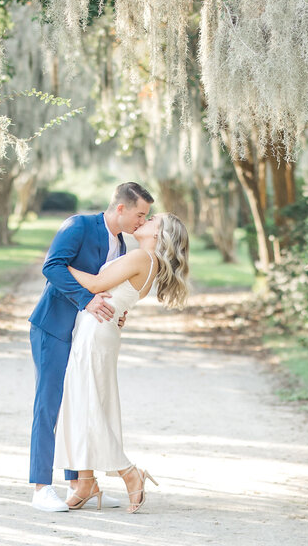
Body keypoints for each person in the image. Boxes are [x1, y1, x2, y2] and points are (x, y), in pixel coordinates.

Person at [27, 182, 154, 512]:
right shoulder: (79, 225)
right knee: (49, 404)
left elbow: (113, 289)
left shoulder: (124, 247)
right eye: (140, 214)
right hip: (54, 327)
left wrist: (118, 314)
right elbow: (52, 266)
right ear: (121, 208)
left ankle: (82, 483)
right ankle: (41, 487)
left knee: (77, 403)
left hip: (86, 334)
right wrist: (88, 301)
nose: (143, 221)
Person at [53, 212, 191, 513]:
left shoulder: (142, 257)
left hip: (97, 331)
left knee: (88, 403)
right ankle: (86, 481)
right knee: (86, 401)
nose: (146, 219)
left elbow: (95, 284)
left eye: (152, 218)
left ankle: (130, 473)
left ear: (158, 234)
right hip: (101, 330)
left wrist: (59, 265)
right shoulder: (145, 260)